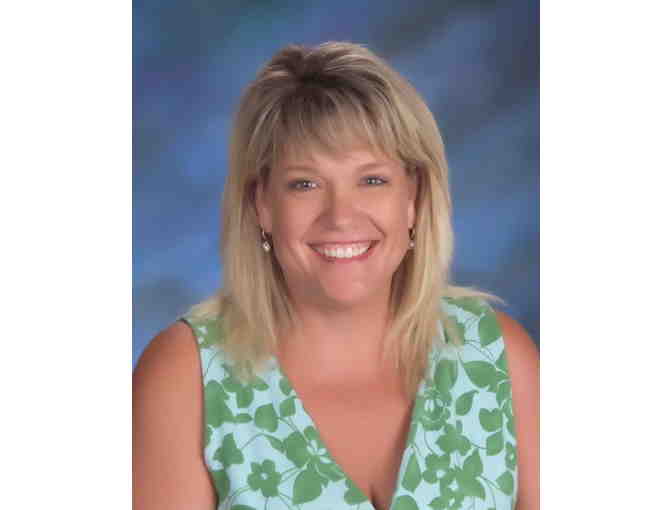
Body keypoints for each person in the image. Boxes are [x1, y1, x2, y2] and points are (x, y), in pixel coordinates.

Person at [133, 42, 539, 510]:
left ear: (413, 198)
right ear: (263, 205)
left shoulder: (497, 358)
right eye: (305, 184)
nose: (341, 216)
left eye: (372, 180)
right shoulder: (186, 377)